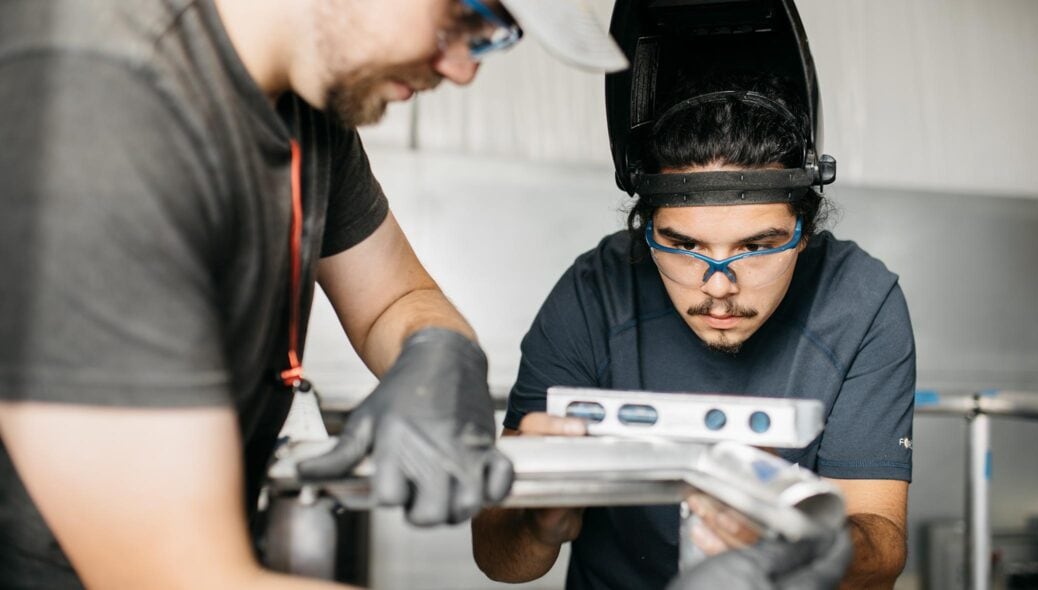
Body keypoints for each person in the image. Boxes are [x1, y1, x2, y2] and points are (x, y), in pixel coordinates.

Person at [0, 0, 628, 588]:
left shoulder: (304, 106)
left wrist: (439, 351)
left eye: (492, 37)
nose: (462, 69)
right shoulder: (100, 100)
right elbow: (187, 576)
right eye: (466, 14)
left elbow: (393, 297)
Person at [471, 69, 915, 589]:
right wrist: (538, 520)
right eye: (683, 245)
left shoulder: (860, 300)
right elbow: (500, 560)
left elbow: (881, 547)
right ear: (645, 229)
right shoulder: (595, 291)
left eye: (755, 247)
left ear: (804, 233)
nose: (719, 287)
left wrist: (812, 551)